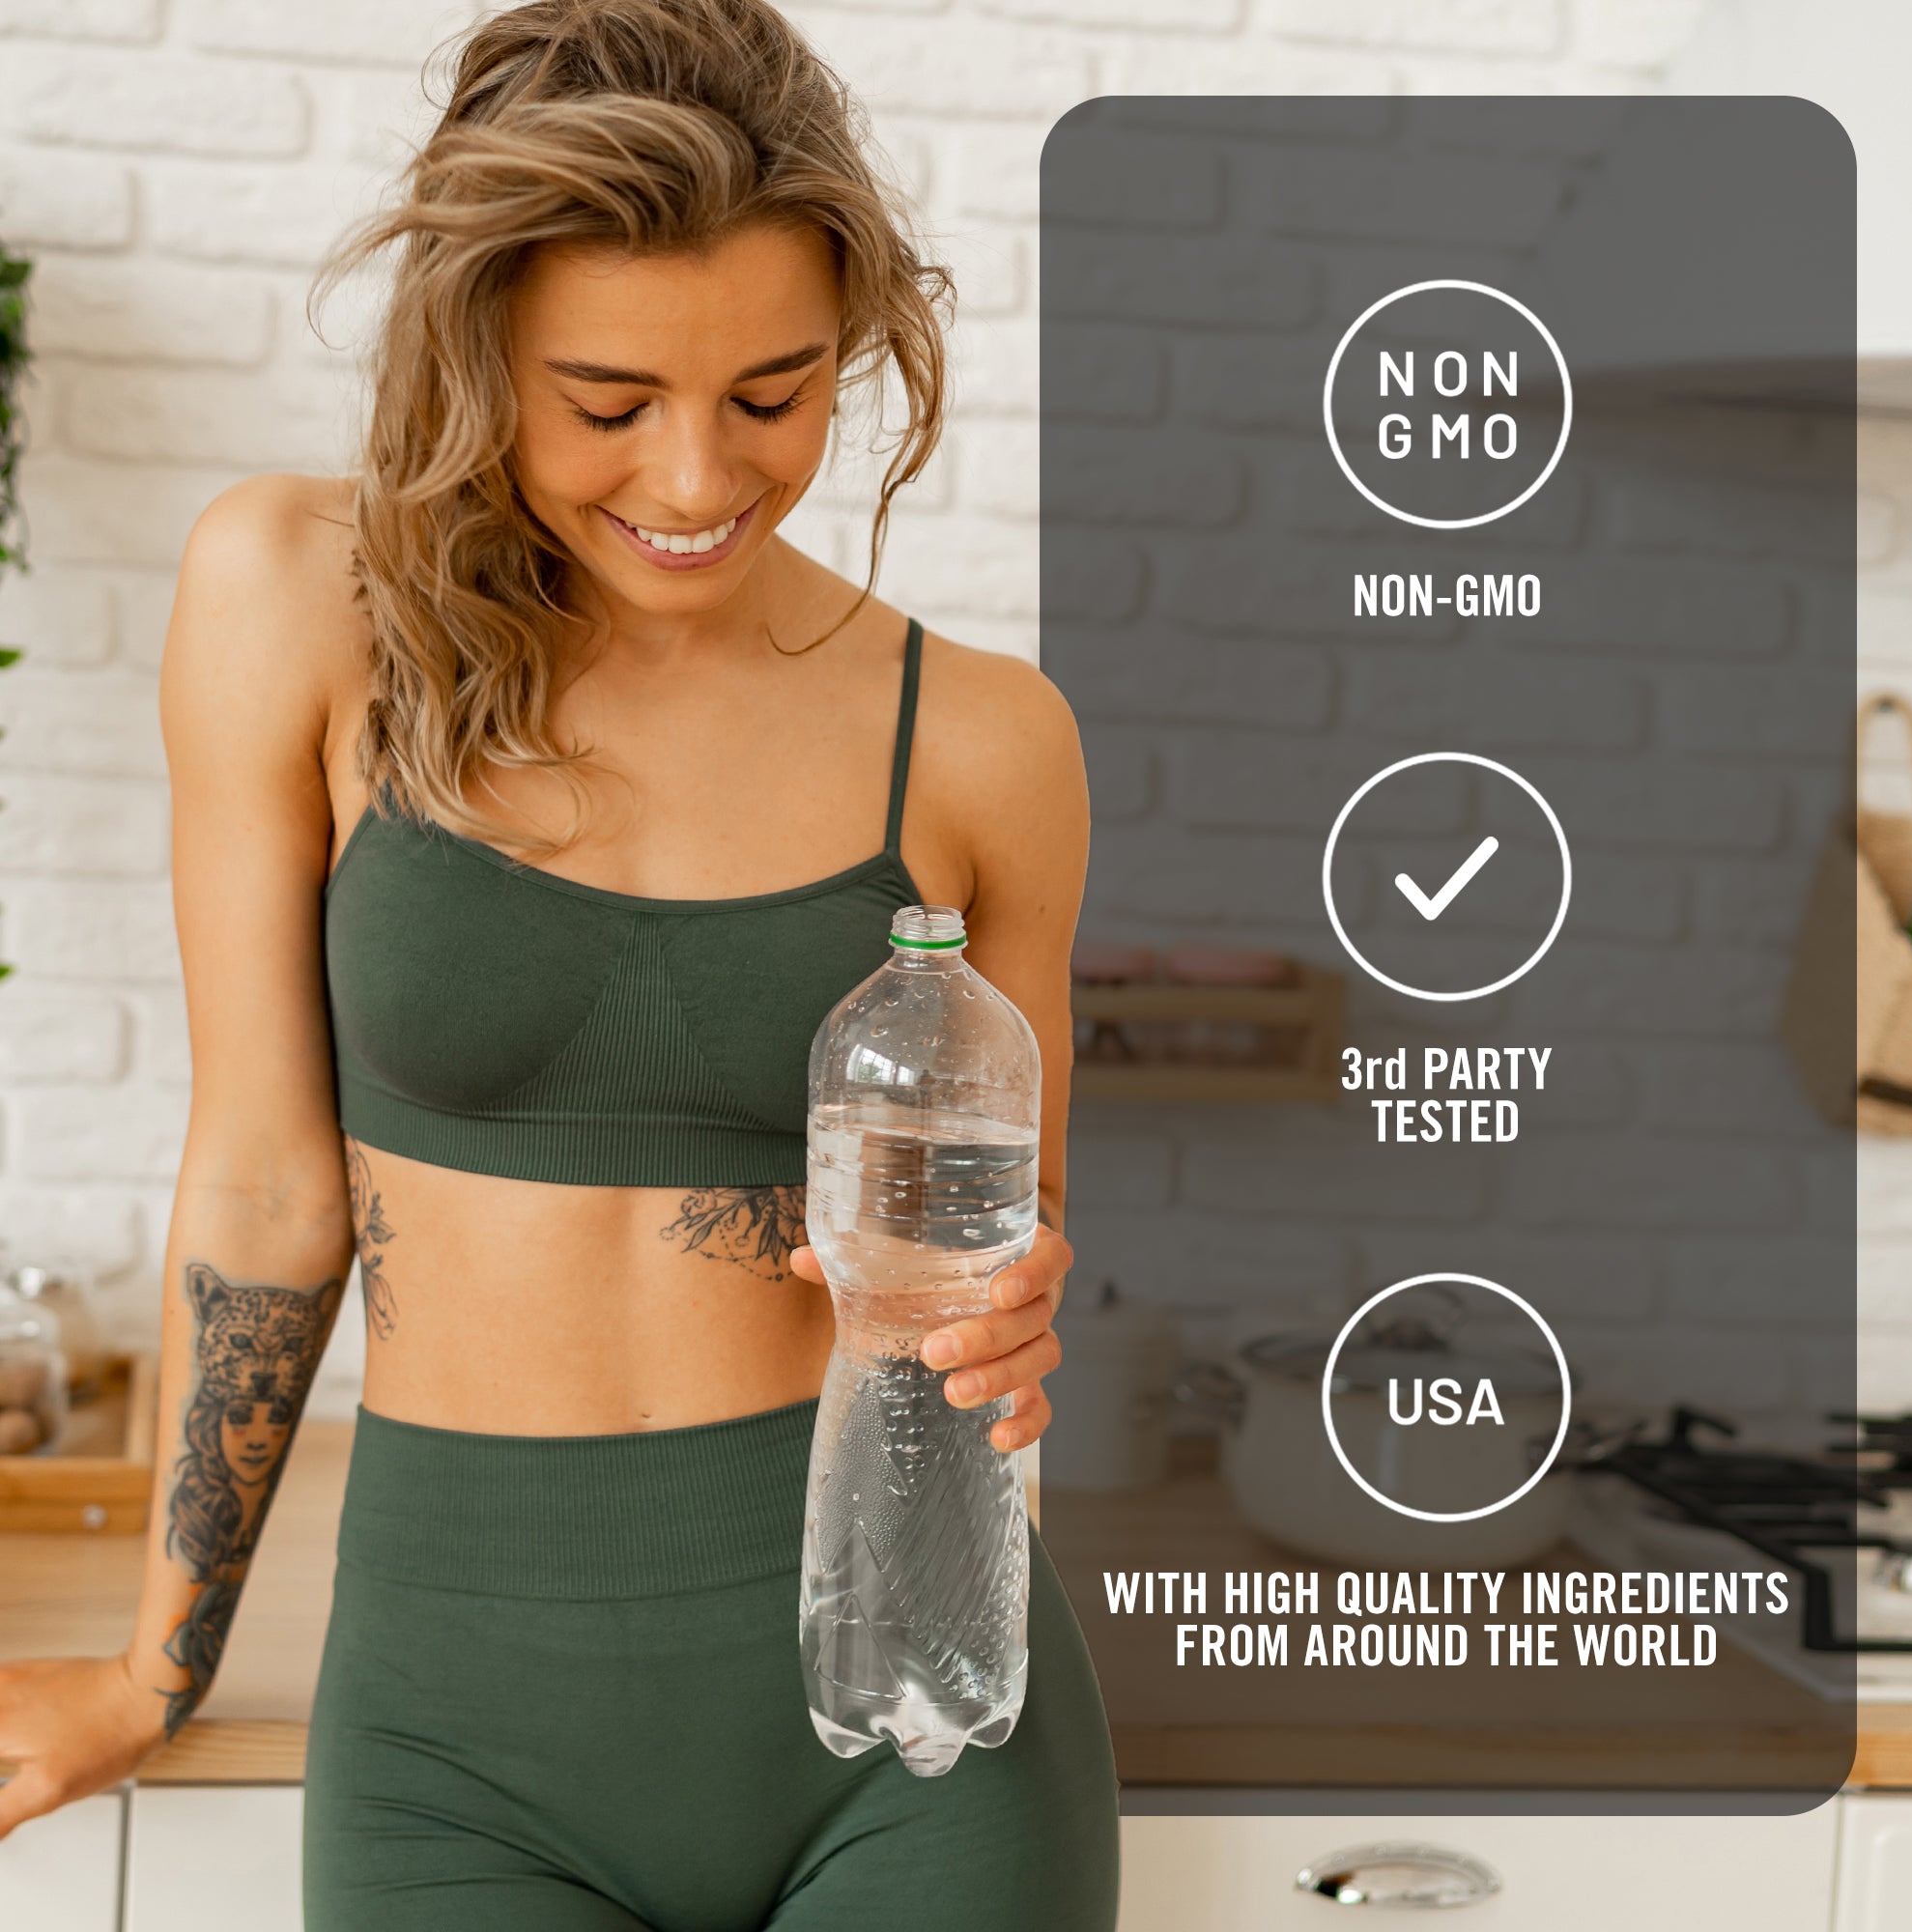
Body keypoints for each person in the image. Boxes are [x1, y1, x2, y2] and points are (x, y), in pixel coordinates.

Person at [0, 2, 1122, 1923]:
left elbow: (985, 1253)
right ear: (471, 349)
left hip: (916, 1716)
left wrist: (1013, 1311)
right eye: (605, 402)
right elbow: (267, 1179)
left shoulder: (989, 742)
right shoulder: (297, 604)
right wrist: (150, 1668)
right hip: (457, 1732)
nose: (694, 479)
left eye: (772, 395)